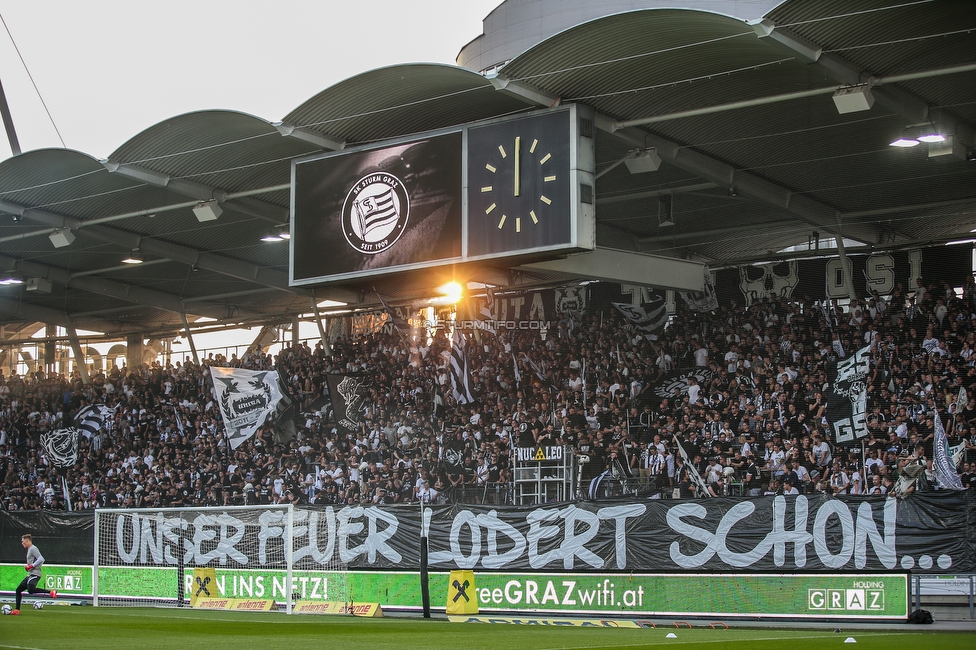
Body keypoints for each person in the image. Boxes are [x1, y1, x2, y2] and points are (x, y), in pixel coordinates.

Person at [12, 534, 57, 615]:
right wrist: (28, 567)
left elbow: (41, 559)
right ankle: (17, 610)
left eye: (23, 542)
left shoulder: (33, 548)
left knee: (30, 590)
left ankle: (50, 592)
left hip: (35, 574)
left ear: (27, 541)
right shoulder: (30, 549)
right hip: (30, 574)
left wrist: (31, 566)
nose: (22, 543)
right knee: (18, 590)